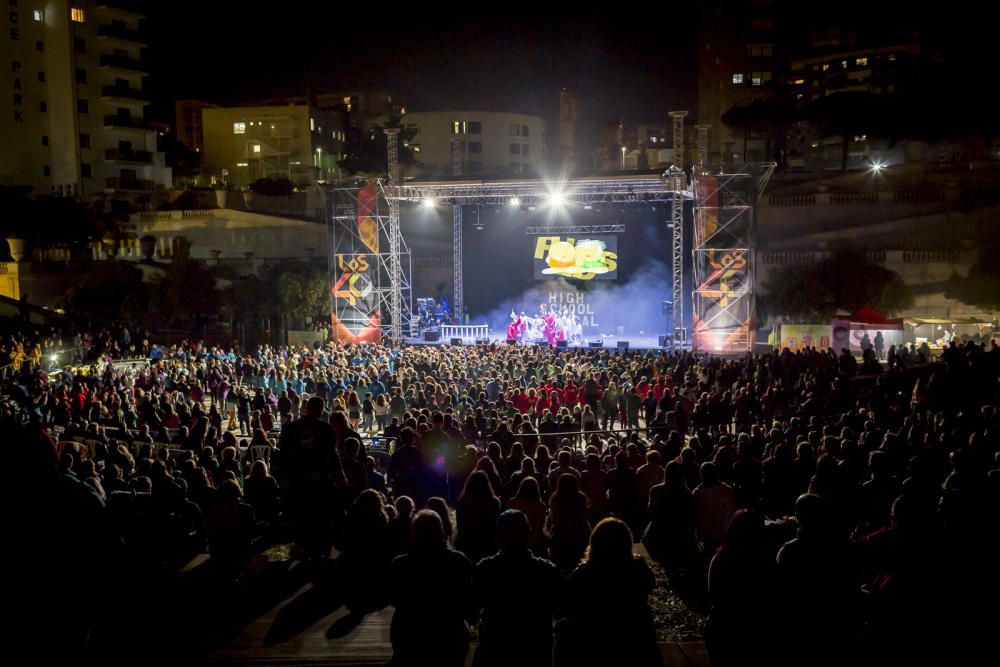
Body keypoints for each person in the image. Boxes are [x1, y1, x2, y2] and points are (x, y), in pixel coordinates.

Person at [557, 518, 662, 667]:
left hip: (593, 638)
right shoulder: (637, 568)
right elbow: (650, 586)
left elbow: (566, 600)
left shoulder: (585, 572)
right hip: (634, 635)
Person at [473, 510, 559, 667]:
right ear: (528, 534)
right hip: (534, 649)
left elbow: (472, 607)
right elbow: (559, 609)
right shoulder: (545, 571)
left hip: (495, 648)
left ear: (498, 536)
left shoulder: (486, 569)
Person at [388, 510, 473, 667]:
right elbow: (468, 597)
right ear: (441, 532)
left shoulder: (400, 564)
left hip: (409, 633)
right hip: (449, 633)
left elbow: (393, 598)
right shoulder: (458, 561)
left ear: (413, 533)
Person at [278, 396, 347, 563]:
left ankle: (302, 546)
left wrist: (285, 476)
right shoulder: (325, 429)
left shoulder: (292, 427)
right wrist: (340, 476)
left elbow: (282, 453)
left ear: (306, 408)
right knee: (319, 514)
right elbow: (332, 455)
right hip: (319, 478)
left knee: (301, 513)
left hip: (297, 478)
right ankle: (317, 552)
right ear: (322, 410)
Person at [704, 510, 777, 666]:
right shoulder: (766, 561)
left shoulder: (720, 558)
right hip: (757, 629)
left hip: (723, 627)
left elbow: (713, 594)